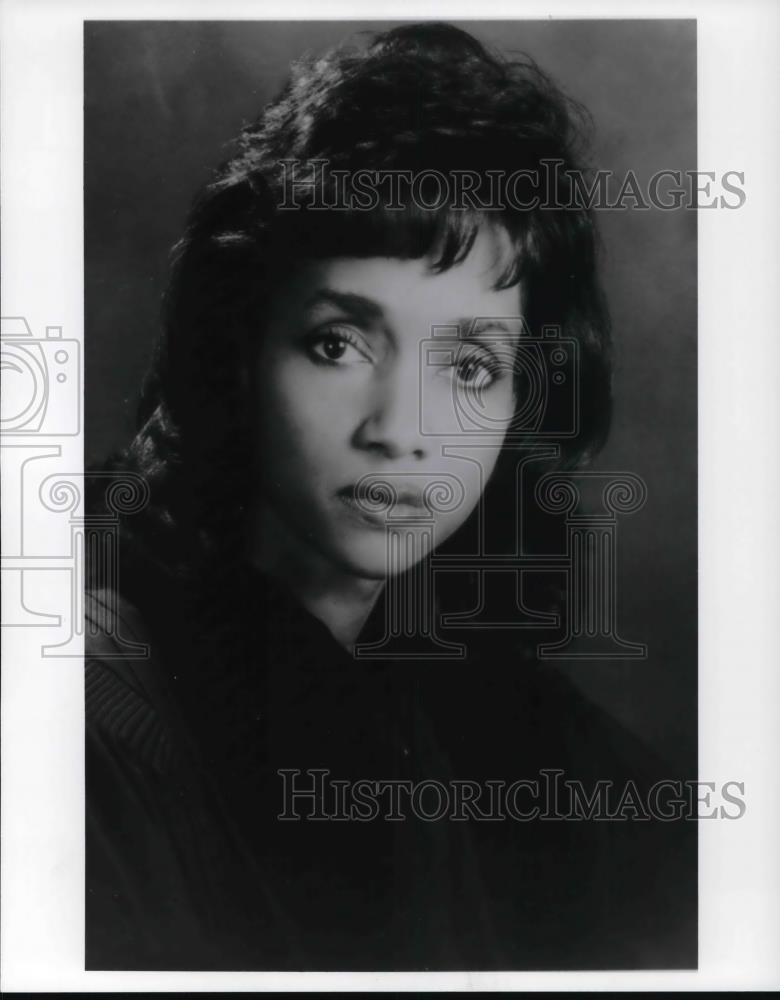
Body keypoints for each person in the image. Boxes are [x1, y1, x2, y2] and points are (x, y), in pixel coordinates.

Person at [85, 21, 696, 970]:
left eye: (470, 364)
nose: (403, 429)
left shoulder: (484, 708)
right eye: (339, 343)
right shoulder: (91, 713)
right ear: (238, 352)